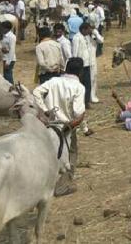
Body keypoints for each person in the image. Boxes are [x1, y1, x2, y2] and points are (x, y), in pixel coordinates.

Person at [32, 57, 86, 196]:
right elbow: (78, 113)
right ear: (80, 72)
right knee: (70, 155)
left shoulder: (54, 81)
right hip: (66, 127)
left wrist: (45, 110)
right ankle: (63, 186)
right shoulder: (79, 87)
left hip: (50, 125)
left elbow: (36, 92)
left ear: (66, 68)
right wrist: (82, 126)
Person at [72, 22, 93, 108]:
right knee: (80, 85)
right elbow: (75, 52)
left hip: (87, 64)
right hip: (80, 66)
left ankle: (86, 101)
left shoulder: (86, 37)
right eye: (88, 30)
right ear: (83, 29)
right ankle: (79, 102)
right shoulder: (76, 38)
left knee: (88, 84)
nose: (89, 32)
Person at [89, 28, 104, 103]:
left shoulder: (94, 35)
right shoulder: (81, 36)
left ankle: (93, 96)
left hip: (93, 59)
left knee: (93, 78)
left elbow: (101, 40)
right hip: (85, 61)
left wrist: (95, 33)